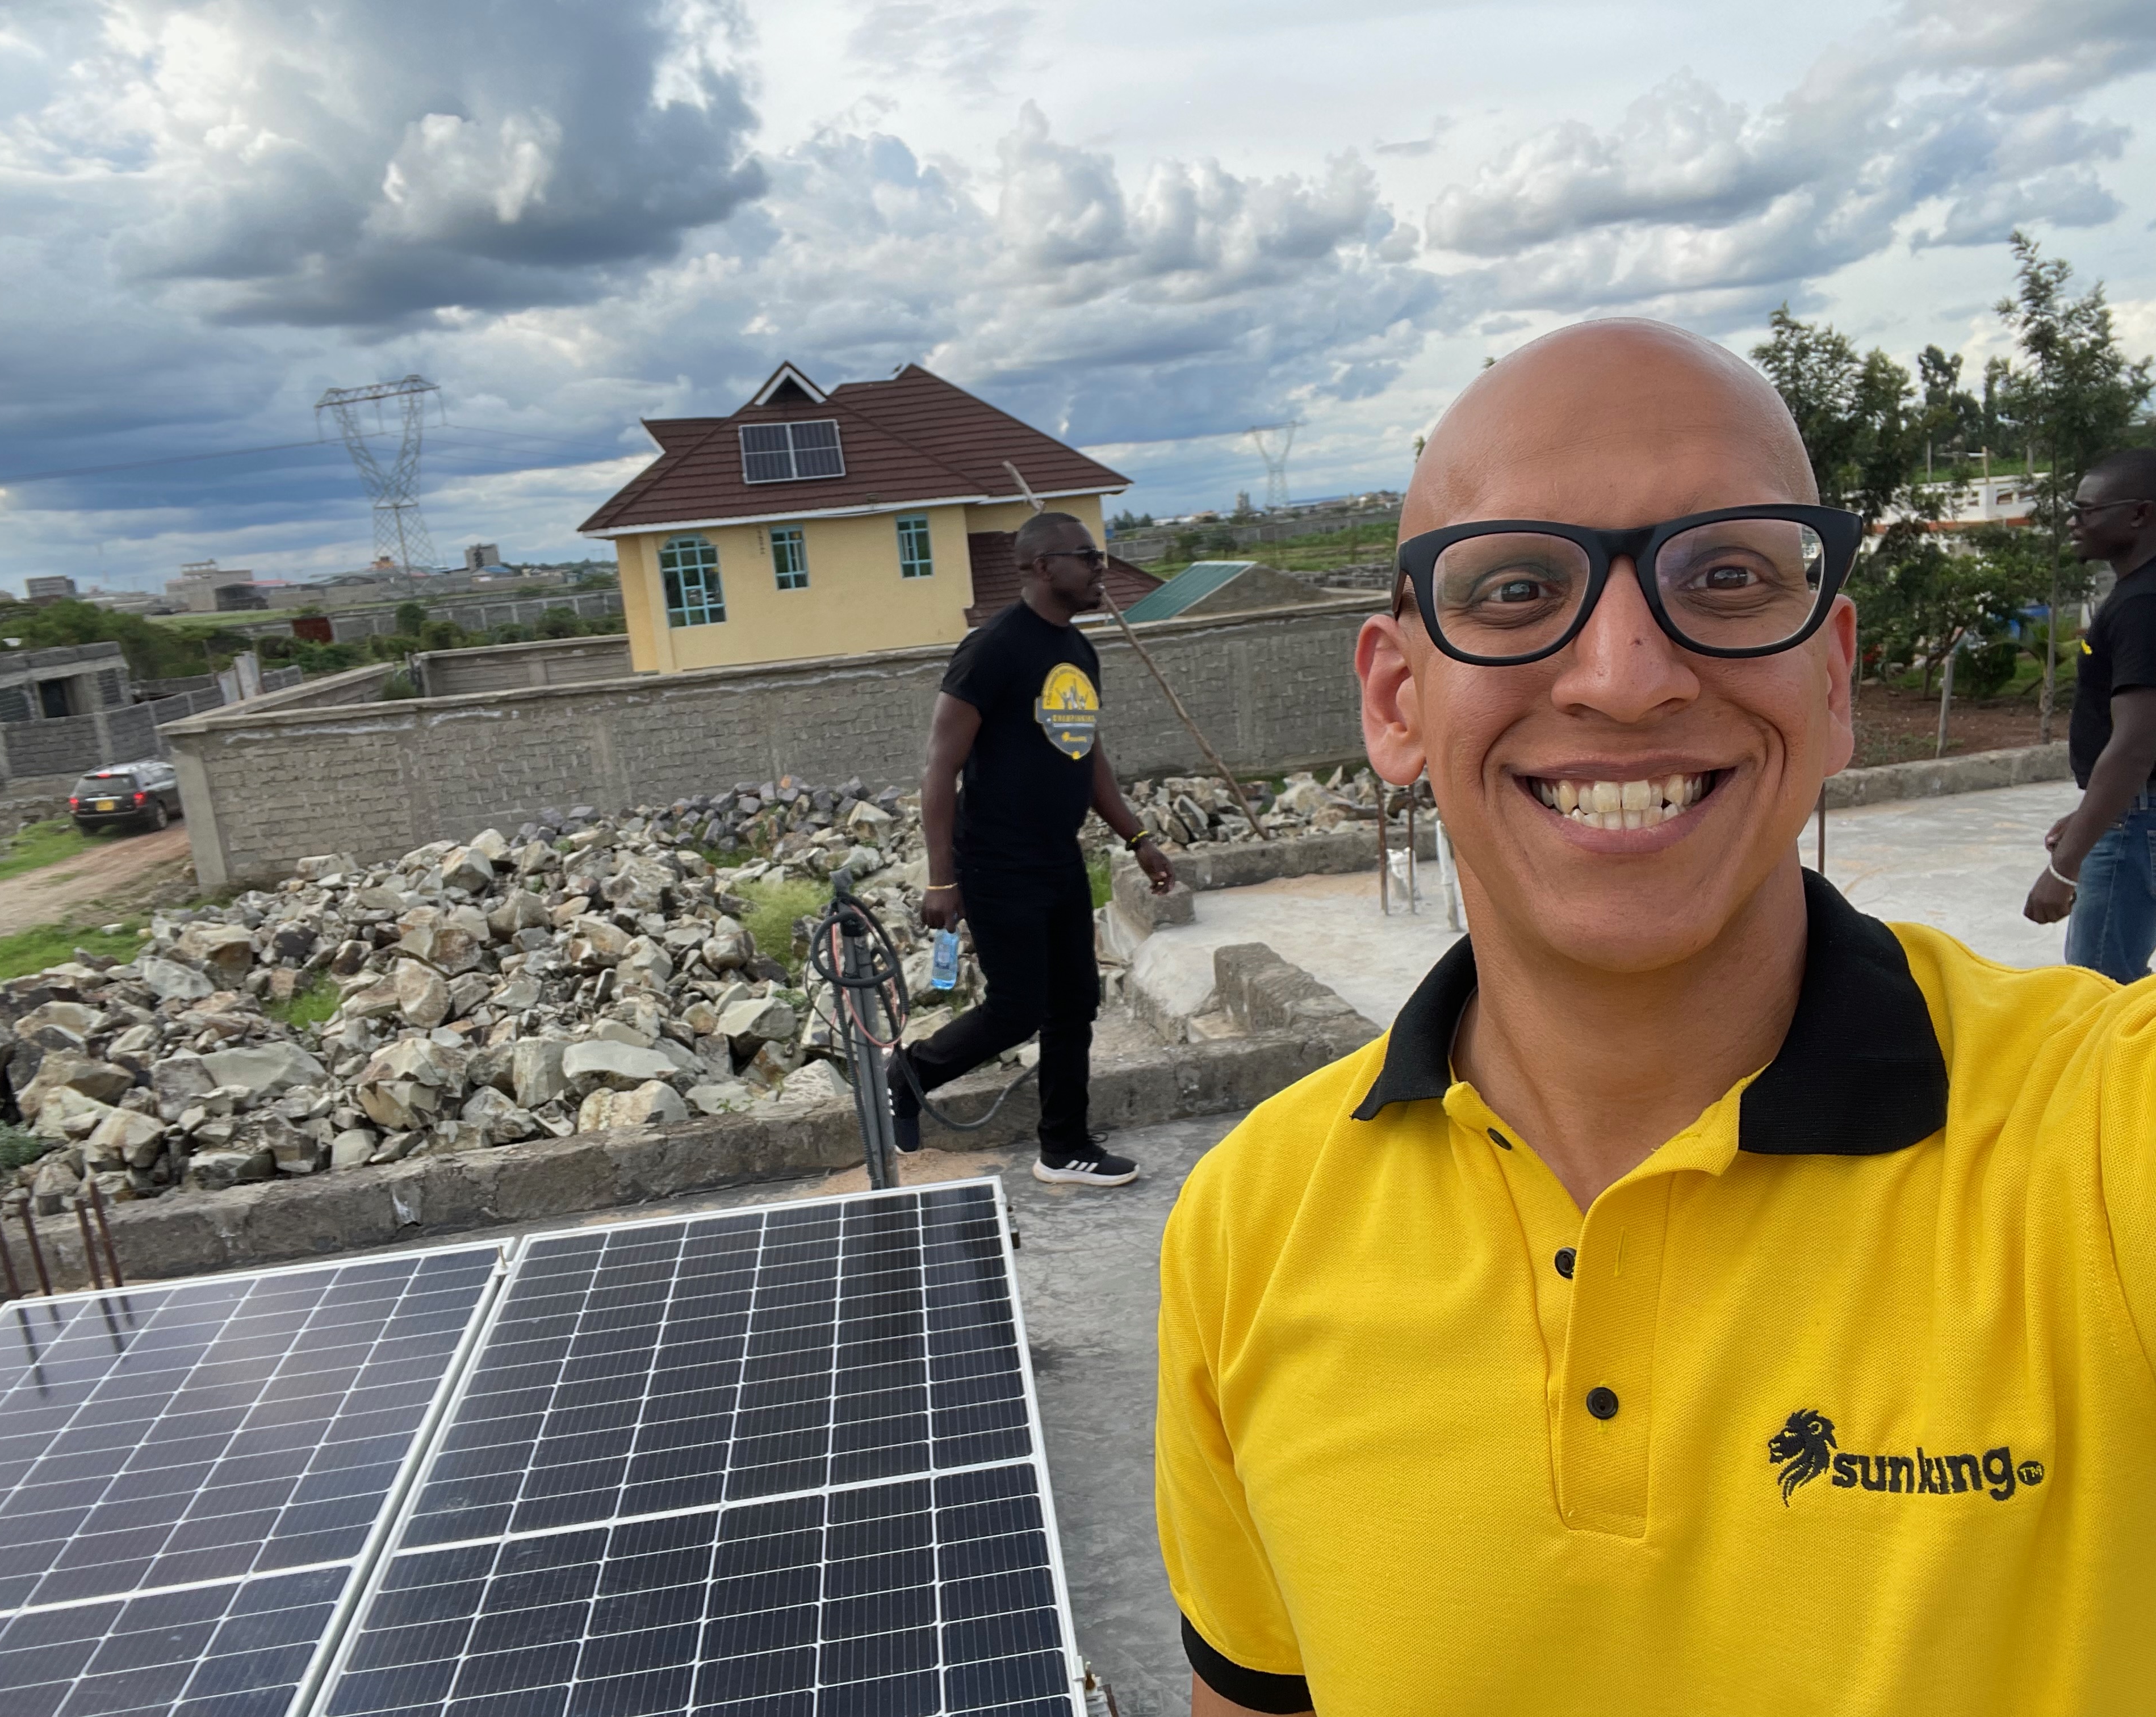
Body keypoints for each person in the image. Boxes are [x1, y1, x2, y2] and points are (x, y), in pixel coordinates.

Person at [1155, 321, 2156, 1716]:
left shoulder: (2100, 1140)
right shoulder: (1248, 1225)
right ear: (1397, 697)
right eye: (1513, 588)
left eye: (1729, 575)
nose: (1625, 676)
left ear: (1834, 672)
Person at [887, 510, 1177, 1185]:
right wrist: (940, 879)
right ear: (1045, 567)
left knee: (1075, 1004)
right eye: (1089, 557)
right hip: (995, 860)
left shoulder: (1079, 650)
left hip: (1058, 857)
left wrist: (1137, 838)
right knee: (1018, 1008)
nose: (1101, 569)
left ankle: (1064, 1147)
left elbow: (1087, 752)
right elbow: (938, 768)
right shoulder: (992, 650)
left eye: (1100, 557)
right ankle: (910, 1071)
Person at [2023, 449, 2156, 978]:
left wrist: (2065, 866)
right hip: (2133, 813)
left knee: (2099, 987)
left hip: (2138, 822)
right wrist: (2091, 815)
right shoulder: (2138, 596)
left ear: (2139, 515)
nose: (2073, 524)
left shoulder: (2142, 605)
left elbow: (2137, 746)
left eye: (2084, 511)